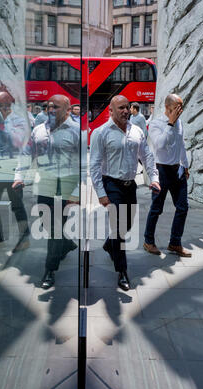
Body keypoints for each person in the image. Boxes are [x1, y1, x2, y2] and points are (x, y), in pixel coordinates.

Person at [90, 95, 160, 291]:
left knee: (127, 224)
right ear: (110, 111)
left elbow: (146, 156)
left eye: (127, 107)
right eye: (120, 108)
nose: (125, 111)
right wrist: (101, 193)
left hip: (131, 186)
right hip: (111, 184)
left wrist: (154, 178)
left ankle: (109, 244)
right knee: (120, 229)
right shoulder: (101, 132)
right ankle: (122, 271)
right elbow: (94, 165)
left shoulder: (137, 130)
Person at [15, 94, 80, 289]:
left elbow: (82, 165)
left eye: (56, 107)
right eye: (49, 106)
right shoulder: (39, 130)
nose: (50, 109)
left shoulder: (76, 131)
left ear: (67, 110)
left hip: (66, 185)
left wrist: (75, 193)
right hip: (44, 184)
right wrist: (19, 176)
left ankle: (49, 270)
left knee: (54, 230)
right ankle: (67, 244)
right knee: (47, 225)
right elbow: (27, 154)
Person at [143, 93, 192, 257]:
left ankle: (175, 242)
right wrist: (170, 123)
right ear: (167, 107)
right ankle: (148, 241)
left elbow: (181, 144)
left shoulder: (180, 123)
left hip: (177, 170)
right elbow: (160, 145)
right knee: (156, 208)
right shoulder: (156, 124)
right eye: (177, 107)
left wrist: (185, 164)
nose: (180, 111)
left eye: (181, 107)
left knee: (183, 207)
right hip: (161, 170)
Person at [0, 91, 31, 253]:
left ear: (5, 107)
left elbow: (17, 141)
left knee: (17, 206)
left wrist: (4, 121)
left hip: (12, 170)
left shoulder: (18, 120)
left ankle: (24, 239)